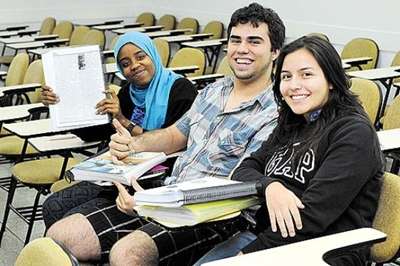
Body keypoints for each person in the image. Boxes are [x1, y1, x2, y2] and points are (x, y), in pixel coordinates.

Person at [43, 3, 286, 265]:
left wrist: (151, 203)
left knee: (127, 254)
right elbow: (173, 135)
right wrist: (132, 145)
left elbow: (240, 186)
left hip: (211, 214)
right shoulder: (213, 92)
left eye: (254, 41)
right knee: (61, 235)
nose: (242, 49)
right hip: (167, 191)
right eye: (236, 40)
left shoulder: (276, 112)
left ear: (275, 52)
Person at [194, 36, 383, 266]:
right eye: (286, 76)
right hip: (268, 238)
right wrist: (271, 186)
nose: (294, 85)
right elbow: (243, 170)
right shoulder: (292, 122)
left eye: (307, 74)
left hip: (322, 249)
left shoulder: (354, 133)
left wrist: (247, 256)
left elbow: (311, 217)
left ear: (331, 79)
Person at [41, 31, 197, 228]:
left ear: (153, 54)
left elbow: (173, 143)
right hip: (117, 171)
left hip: (155, 179)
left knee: (66, 217)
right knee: (53, 206)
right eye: (125, 64)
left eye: (141, 57)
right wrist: (60, 106)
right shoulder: (127, 92)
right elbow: (96, 133)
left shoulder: (181, 90)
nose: (134, 66)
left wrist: (122, 119)